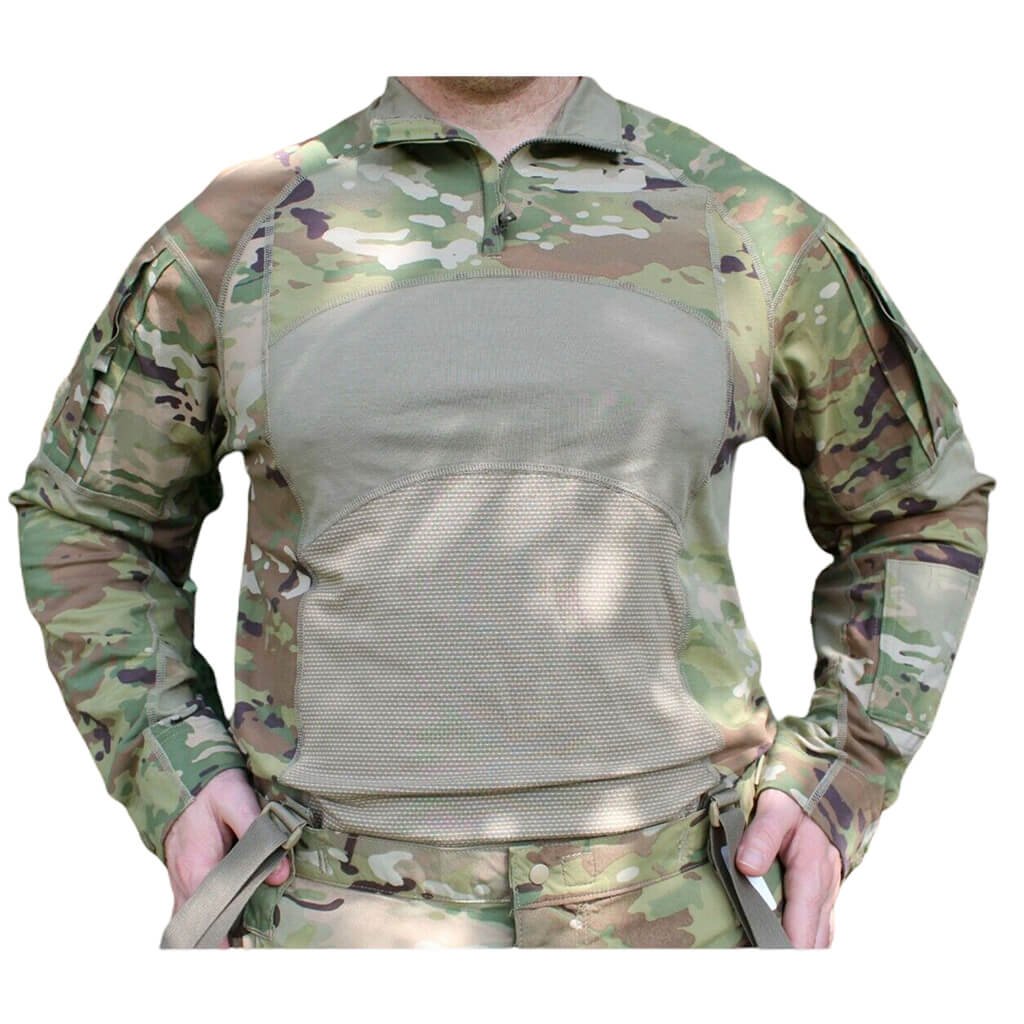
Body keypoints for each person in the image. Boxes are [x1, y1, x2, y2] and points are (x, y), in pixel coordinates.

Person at [8, 74, 996, 950]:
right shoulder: (238, 233)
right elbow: (89, 519)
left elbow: (917, 507)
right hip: (320, 916)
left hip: (680, 913)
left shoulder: (744, 225)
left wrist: (839, 777)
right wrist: (172, 765)